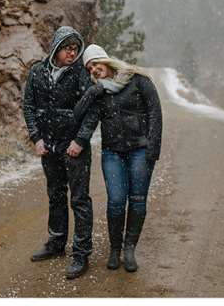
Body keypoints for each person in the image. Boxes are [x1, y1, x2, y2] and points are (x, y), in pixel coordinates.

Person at [74, 44, 162, 272]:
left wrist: (153, 150)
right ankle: (115, 249)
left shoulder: (137, 79)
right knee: (115, 200)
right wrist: (93, 91)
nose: (93, 69)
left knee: (137, 200)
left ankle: (129, 249)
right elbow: (78, 115)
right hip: (112, 152)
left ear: (107, 61)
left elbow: (155, 113)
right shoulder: (99, 92)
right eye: (89, 68)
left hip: (140, 151)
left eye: (96, 64)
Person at [22, 26, 98, 280]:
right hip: (49, 146)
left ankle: (81, 252)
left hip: (75, 147)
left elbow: (91, 110)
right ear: (56, 48)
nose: (73, 53)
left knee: (79, 199)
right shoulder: (37, 72)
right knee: (55, 195)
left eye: (76, 49)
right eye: (68, 48)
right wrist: (36, 137)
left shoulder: (80, 74)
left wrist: (80, 139)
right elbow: (29, 106)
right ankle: (56, 243)